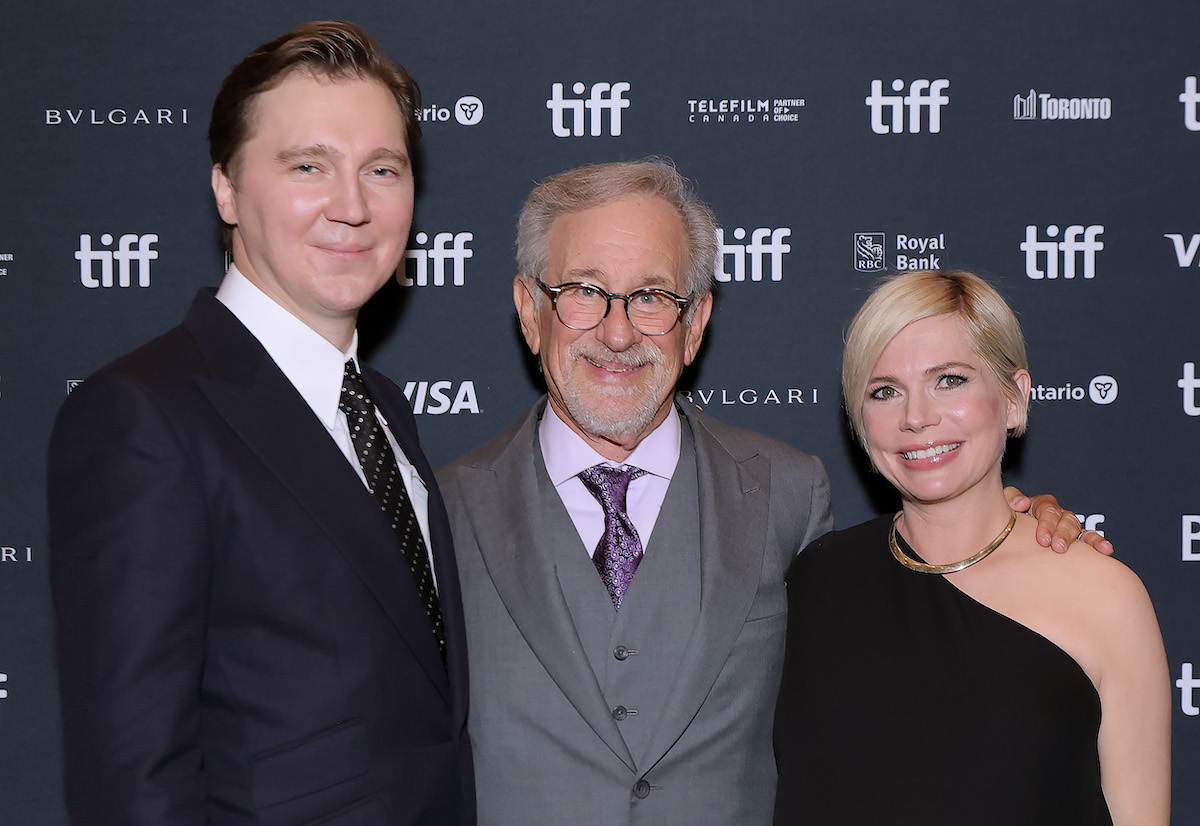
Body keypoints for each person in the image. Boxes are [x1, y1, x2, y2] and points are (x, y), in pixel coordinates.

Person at [436, 160, 1095, 825]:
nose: (618, 331)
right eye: (585, 290)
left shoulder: (789, 492)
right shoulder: (438, 511)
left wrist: (1009, 534)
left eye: (653, 297)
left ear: (695, 323)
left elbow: (903, 666)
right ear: (530, 309)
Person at [47, 21, 474, 825]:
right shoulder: (142, 415)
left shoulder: (381, 407)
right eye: (308, 166)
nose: (351, 206)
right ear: (226, 189)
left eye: (381, 169)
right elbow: (132, 781)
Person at [773, 270, 1170, 825]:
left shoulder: (1105, 596)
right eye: (885, 391)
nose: (917, 417)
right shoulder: (818, 580)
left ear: (1013, 399)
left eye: (950, 380)